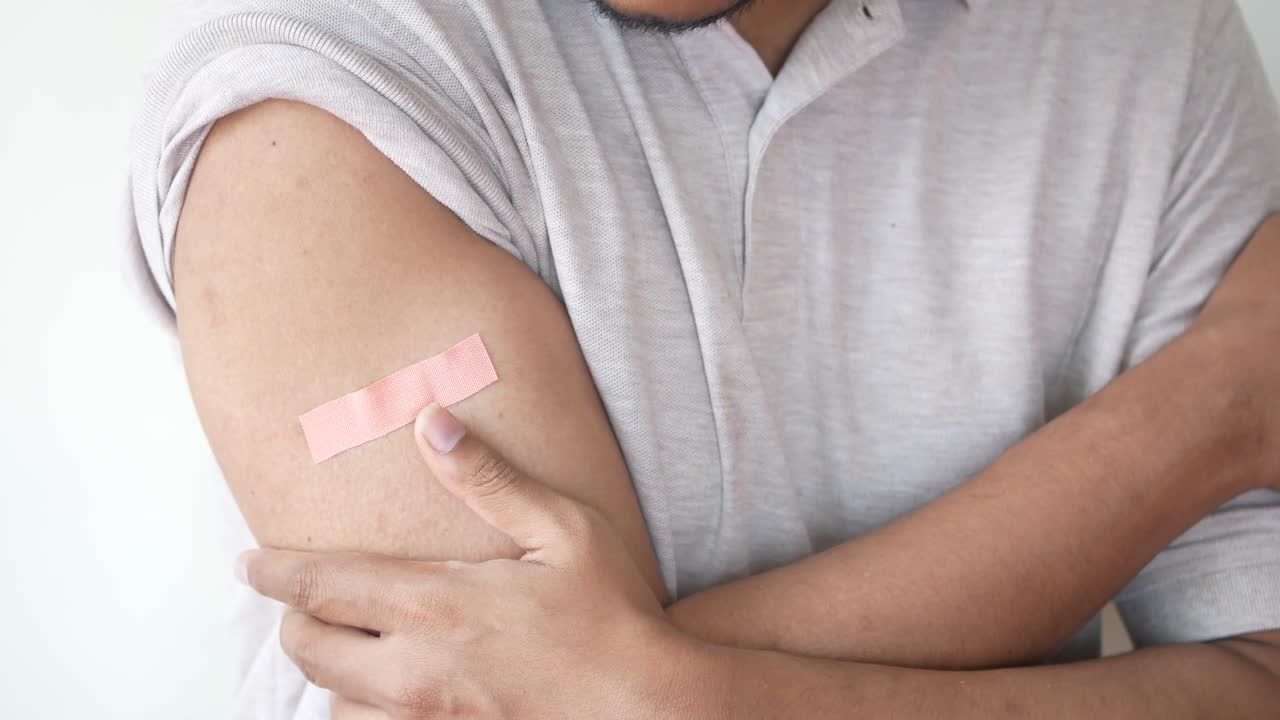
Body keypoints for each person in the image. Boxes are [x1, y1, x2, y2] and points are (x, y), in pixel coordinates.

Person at [128, 0, 1280, 716]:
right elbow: (502, 710)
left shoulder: (1148, 36)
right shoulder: (319, 79)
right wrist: (1191, 423)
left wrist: (658, 687)